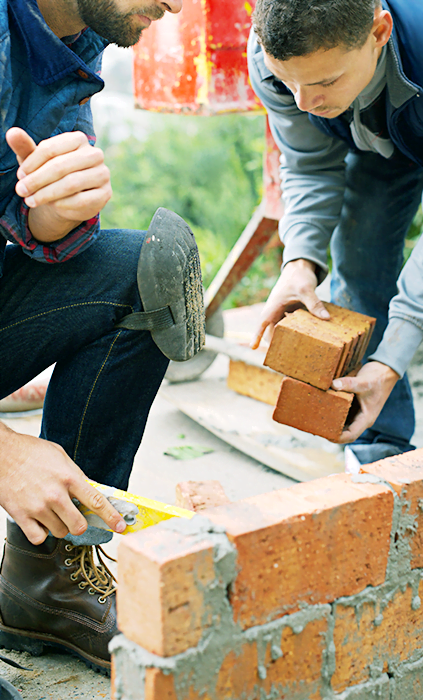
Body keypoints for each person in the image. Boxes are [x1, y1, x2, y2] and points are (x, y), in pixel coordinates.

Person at [0, 0, 189, 674]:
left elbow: (23, 230)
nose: (177, 4)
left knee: (145, 271)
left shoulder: (72, 35)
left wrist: (48, 220)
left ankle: (46, 578)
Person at [248, 0, 423, 464]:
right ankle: (378, 440)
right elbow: (310, 167)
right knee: (358, 252)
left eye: (323, 82)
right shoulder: (276, 54)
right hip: (383, 103)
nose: (302, 103)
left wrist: (393, 357)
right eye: (287, 81)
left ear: (379, 32)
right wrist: (300, 261)